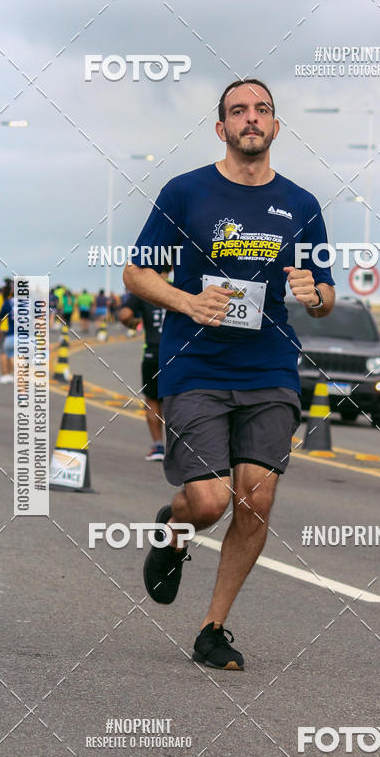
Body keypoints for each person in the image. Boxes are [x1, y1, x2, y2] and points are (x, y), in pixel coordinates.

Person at [123, 78, 335, 670]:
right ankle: (175, 528)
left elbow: (325, 295)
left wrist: (312, 292)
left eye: (261, 110)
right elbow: (136, 274)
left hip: (270, 367)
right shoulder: (185, 192)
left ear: (275, 126)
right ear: (221, 128)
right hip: (195, 364)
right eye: (238, 111)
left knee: (256, 498)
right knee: (210, 501)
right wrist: (187, 301)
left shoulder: (302, 205)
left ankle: (213, 627)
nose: (251, 118)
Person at [118, 274, 168, 461]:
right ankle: (179, 449)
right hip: (178, 354)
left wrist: (134, 324)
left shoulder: (143, 289)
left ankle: (157, 447)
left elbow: (124, 315)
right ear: (171, 267)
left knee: (152, 401)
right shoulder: (180, 286)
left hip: (152, 353)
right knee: (178, 400)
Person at [0, 282, 14, 383]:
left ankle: (5, 374)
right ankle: (11, 373)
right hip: (18, 332)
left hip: (3, 328)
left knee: (4, 352)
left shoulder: (1, 299)